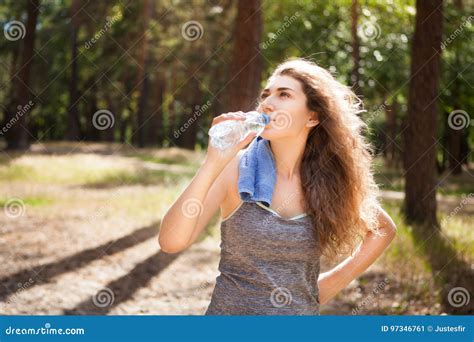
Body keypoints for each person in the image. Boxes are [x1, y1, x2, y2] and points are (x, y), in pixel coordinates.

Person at [158, 57, 397, 315]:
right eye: (266, 95)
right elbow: (171, 241)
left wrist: (327, 286)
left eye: (284, 95)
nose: (268, 104)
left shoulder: (329, 180)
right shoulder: (236, 169)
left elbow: (383, 230)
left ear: (313, 116)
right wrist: (212, 162)